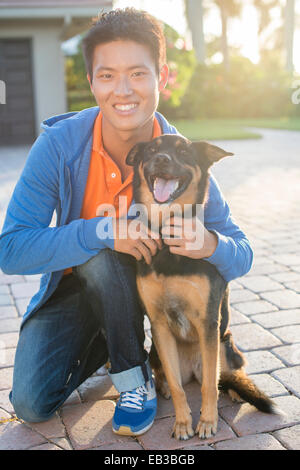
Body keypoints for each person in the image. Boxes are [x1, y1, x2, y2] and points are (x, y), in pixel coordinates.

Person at [0, 8, 253, 437]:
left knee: (115, 260)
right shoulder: (59, 147)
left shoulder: (183, 156)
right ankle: (108, 339)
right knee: (31, 400)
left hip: (157, 295)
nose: (123, 91)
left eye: (137, 74)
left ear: (162, 77)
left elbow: (241, 253)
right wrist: (100, 230)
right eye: (107, 75)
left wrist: (209, 243)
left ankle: (135, 382)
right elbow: (11, 249)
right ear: (92, 81)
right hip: (79, 289)